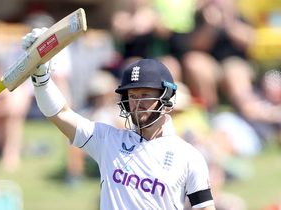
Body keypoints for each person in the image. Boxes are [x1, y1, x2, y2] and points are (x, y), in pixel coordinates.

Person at [21, 28, 216, 209]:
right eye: (132, 96)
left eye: (145, 95)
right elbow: (60, 114)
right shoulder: (107, 140)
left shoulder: (189, 157)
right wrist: (41, 78)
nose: (137, 103)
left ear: (165, 97)